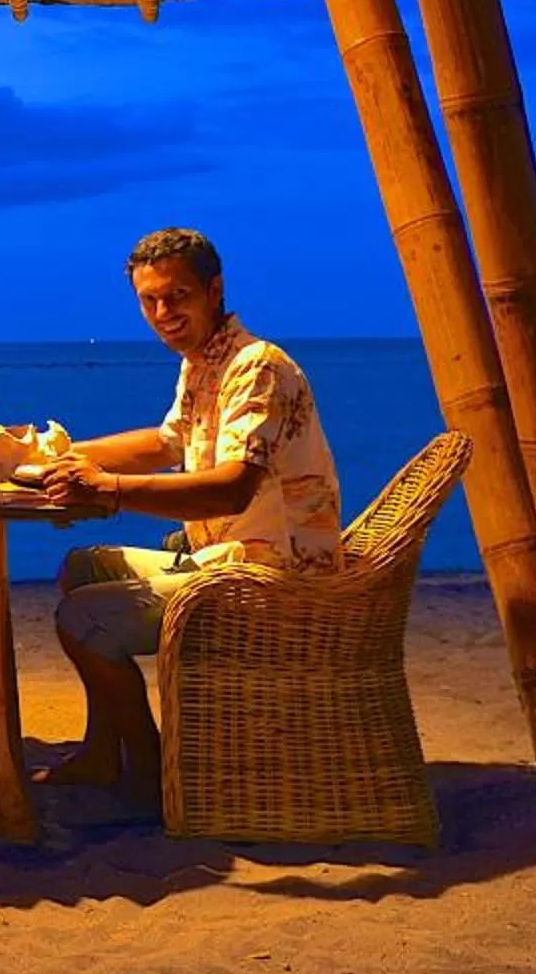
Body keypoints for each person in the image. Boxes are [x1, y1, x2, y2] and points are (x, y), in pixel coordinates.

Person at [37, 228, 341, 809]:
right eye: (149, 301)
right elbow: (167, 440)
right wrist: (47, 456)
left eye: (176, 296)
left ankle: (151, 776)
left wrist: (111, 492)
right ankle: (104, 754)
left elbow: (230, 491)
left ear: (214, 289)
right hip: (227, 556)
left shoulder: (257, 367)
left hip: (272, 576)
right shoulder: (204, 362)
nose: (162, 313)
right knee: (84, 567)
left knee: (84, 619)